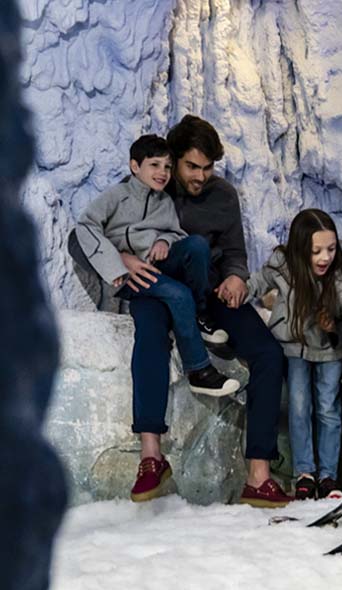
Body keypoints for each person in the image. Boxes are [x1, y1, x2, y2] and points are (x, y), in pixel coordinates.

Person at [113, 116, 292, 507]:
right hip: (155, 287)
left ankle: (258, 476)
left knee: (268, 353)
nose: (200, 176)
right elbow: (108, 231)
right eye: (192, 166)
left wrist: (236, 278)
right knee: (150, 334)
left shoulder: (223, 195)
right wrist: (124, 259)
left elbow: (234, 253)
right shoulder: (150, 187)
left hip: (208, 292)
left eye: (208, 168)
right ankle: (151, 457)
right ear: (173, 160)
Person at [75, 134, 238, 400]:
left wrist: (164, 239)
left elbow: (176, 233)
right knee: (178, 293)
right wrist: (117, 264)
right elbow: (85, 226)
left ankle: (199, 315)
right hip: (128, 277)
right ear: (134, 166)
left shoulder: (164, 202)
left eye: (167, 166)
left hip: (157, 267)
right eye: (154, 165)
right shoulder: (117, 196)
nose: (162, 172)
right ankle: (199, 371)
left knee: (197, 245)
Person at [247, 209, 342, 499]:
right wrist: (234, 290)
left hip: (328, 350)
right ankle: (305, 473)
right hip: (293, 348)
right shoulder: (282, 266)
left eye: (331, 249)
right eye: (316, 251)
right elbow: (256, 284)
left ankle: (328, 476)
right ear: (301, 250)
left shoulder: (337, 278)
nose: (325, 257)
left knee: (328, 408)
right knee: (300, 406)